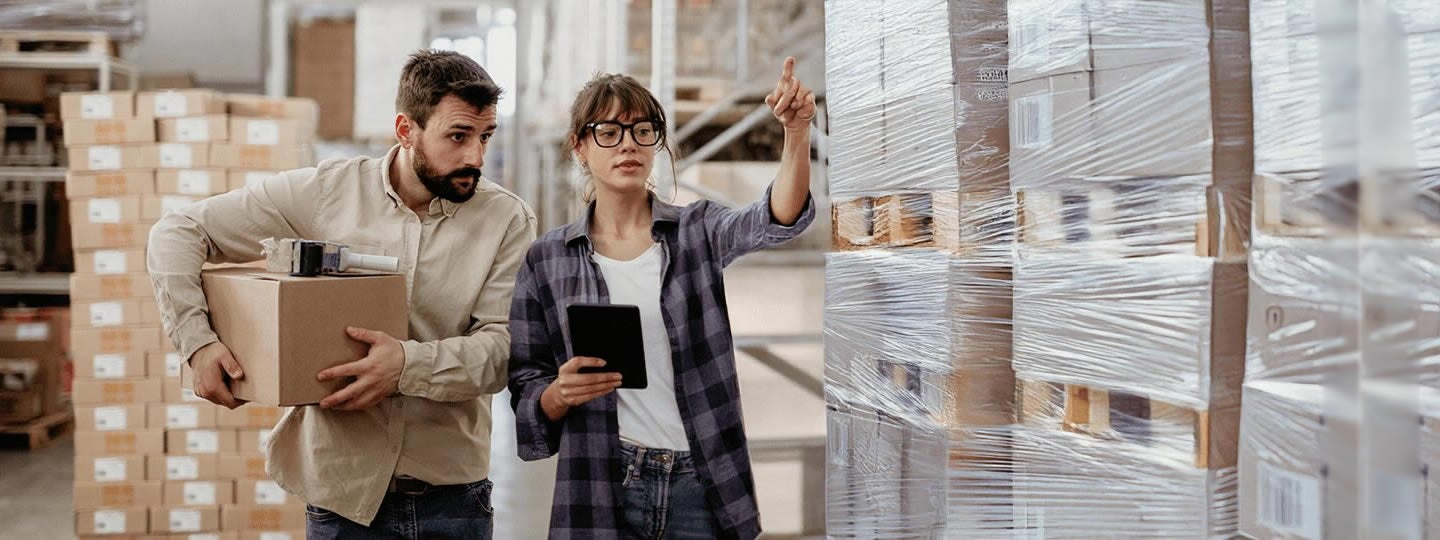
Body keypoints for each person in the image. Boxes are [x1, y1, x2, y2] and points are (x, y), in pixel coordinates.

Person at [147, 50, 535, 539]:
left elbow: (505, 350)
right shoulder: (327, 193)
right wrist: (196, 343)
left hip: (452, 497)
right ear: (405, 129)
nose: (475, 158)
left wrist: (406, 366)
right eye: (457, 137)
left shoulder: (507, 221)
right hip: (342, 499)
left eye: (485, 137)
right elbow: (177, 231)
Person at [507, 57, 817, 539]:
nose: (628, 143)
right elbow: (526, 380)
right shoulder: (547, 259)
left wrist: (796, 133)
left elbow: (774, 217)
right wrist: (556, 394)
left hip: (700, 478)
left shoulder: (697, 231)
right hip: (604, 477)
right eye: (608, 131)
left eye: (642, 130)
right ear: (580, 146)